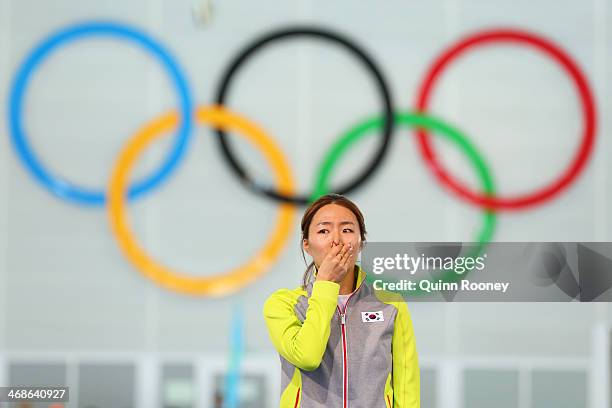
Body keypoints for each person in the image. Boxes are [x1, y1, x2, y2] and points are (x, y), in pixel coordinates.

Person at [263, 194, 420, 408]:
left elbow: (406, 384)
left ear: (360, 242)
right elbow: (307, 357)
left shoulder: (391, 304)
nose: (336, 240)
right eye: (323, 231)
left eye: (347, 230)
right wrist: (326, 284)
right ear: (307, 245)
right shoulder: (284, 304)